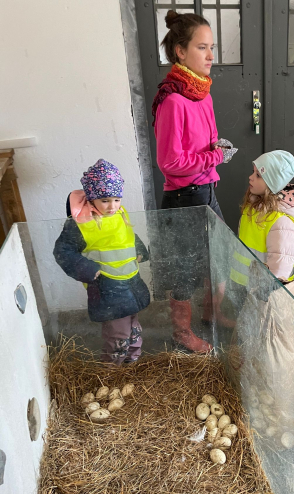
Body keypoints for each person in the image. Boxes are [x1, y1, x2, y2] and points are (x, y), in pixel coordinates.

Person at [152, 9, 237, 353]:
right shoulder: (173, 101)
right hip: (184, 197)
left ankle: (211, 312)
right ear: (180, 52)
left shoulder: (203, 94)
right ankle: (182, 333)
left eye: (211, 47)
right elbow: (170, 163)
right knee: (184, 271)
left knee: (220, 256)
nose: (211, 55)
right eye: (202, 48)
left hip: (206, 190)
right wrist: (215, 158)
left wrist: (216, 154)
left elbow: (209, 142)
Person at [229, 150, 294, 449]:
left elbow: (280, 267)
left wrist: (261, 293)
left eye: (258, 174)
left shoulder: (281, 220)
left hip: (270, 296)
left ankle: (278, 419)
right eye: (253, 171)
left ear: (273, 183)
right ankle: (252, 401)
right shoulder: (256, 207)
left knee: (275, 353)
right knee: (253, 345)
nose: (250, 177)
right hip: (252, 290)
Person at [53, 159, 150, 366]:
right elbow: (63, 251)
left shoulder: (120, 214)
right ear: (92, 198)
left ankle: (132, 363)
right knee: (118, 335)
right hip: (107, 286)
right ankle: (111, 371)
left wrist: (140, 250)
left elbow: (128, 236)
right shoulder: (81, 223)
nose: (112, 206)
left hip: (131, 282)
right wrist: (88, 269)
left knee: (133, 329)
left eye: (117, 199)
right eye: (105, 200)